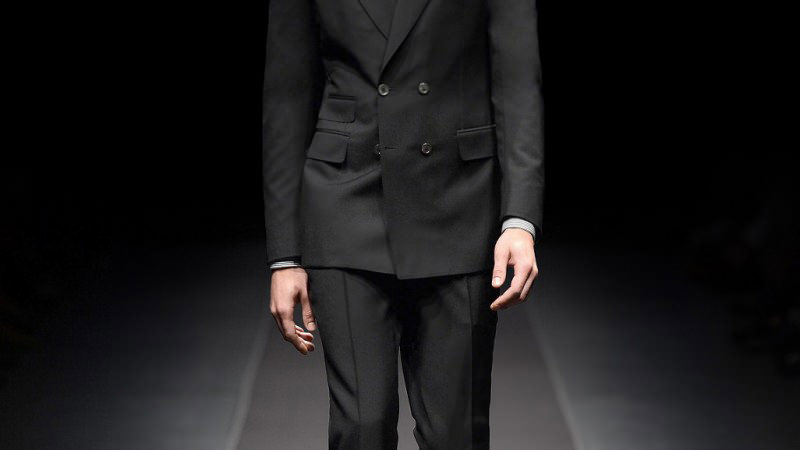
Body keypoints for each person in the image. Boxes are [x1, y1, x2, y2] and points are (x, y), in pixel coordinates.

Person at [262, 0, 543, 448]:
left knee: (455, 434)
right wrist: (285, 256)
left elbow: (518, 83)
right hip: (346, 199)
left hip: (459, 203)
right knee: (361, 428)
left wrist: (519, 219)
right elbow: (286, 95)